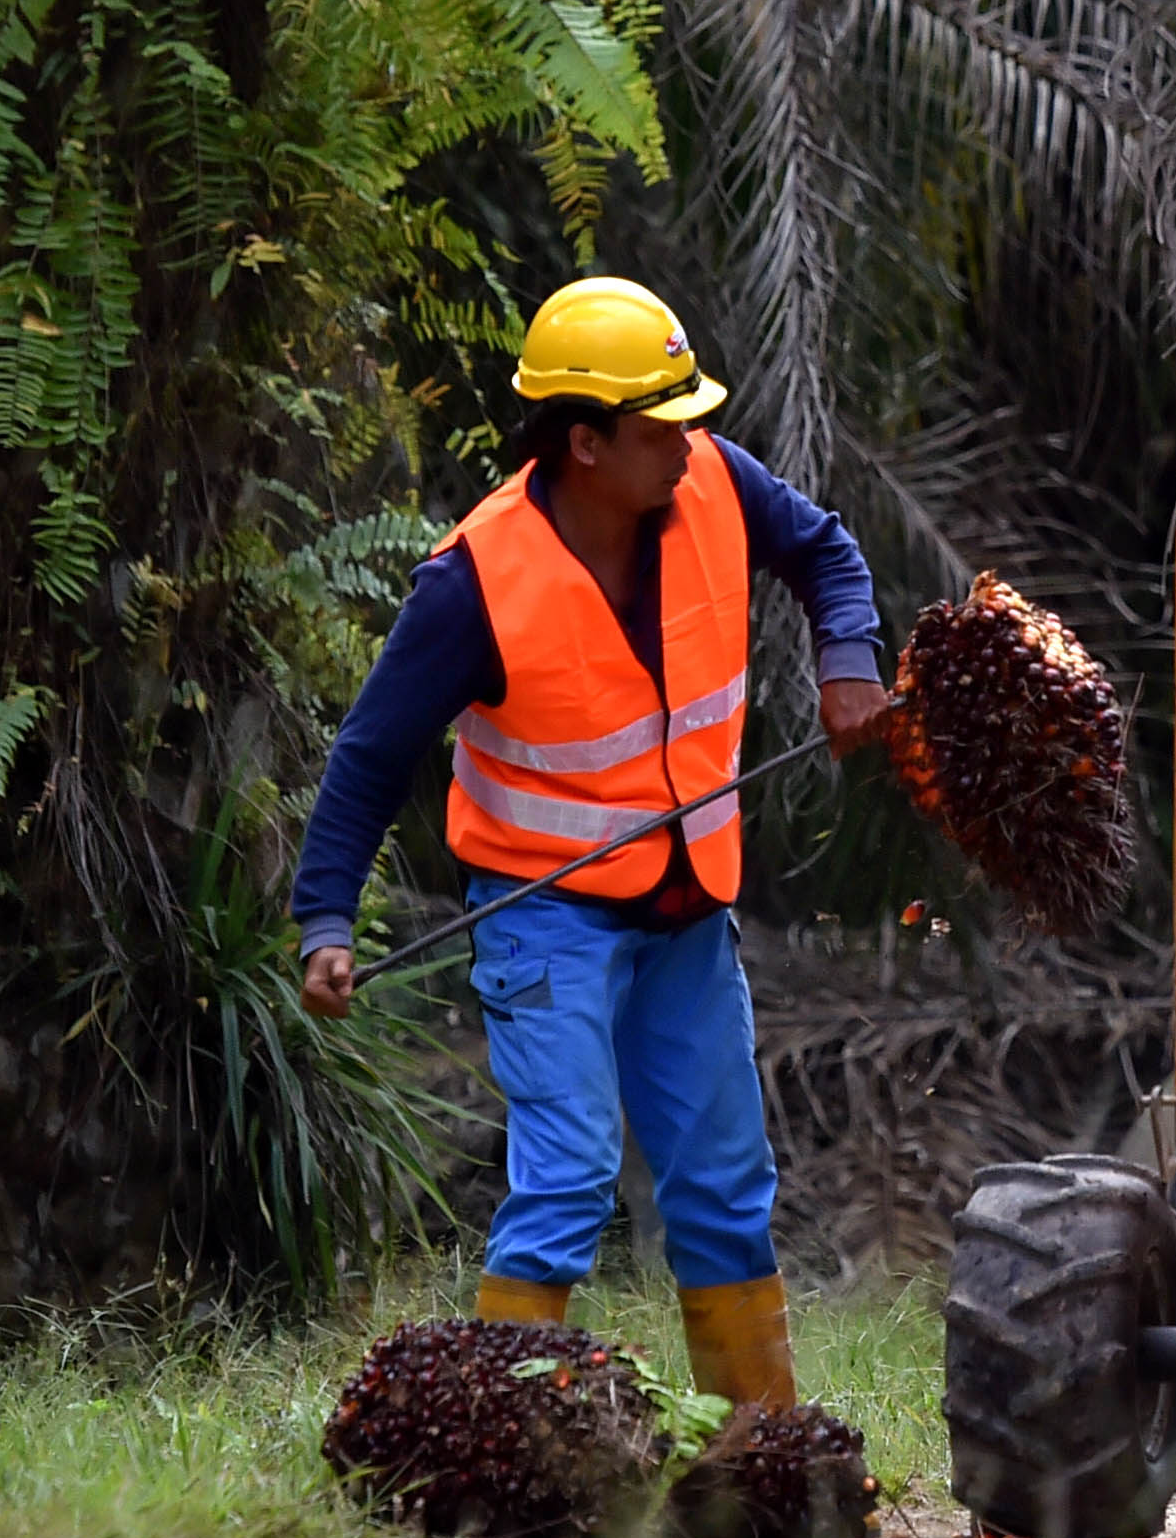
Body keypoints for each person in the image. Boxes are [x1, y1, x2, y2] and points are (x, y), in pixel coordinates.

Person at [290, 276, 890, 1412]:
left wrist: (848, 661)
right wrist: (325, 918)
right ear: (583, 442)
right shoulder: (473, 584)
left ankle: (758, 1452)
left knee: (723, 1185)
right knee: (566, 1177)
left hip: (687, 911)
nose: (688, 443)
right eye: (660, 426)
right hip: (543, 914)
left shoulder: (715, 482)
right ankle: (501, 1439)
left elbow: (826, 552)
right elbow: (370, 753)